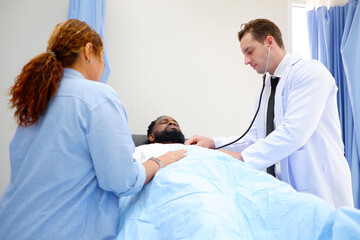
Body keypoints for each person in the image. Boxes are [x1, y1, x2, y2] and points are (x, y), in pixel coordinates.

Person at [0, 19, 186, 240]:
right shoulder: (97, 96)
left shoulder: (36, 103)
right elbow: (123, 180)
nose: (104, 67)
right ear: (89, 51)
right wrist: (160, 161)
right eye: (102, 58)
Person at [185, 18, 353, 208]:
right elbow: (255, 137)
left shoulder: (309, 72)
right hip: (284, 189)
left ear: (269, 42)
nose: (246, 61)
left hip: (320, 185)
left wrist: (241, 158)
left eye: (250, 51)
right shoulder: (268, 87)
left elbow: (294, 133)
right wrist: (214, 143)